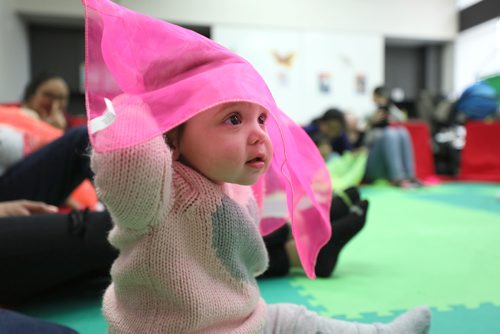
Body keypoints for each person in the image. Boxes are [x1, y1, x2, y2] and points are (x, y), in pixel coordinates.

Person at [84, 1, 431, 333]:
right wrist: (139, 105)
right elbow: (131, 158)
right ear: (172, 137)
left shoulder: (234, 185)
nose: (259, 134)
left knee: (296, 319)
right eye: (234, 119)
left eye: (262, 119)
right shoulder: (155, 196)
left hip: (238, 321)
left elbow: (250, 261)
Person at [364, 86, 421, 188]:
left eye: (384, 97)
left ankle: (410, 175)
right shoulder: (367, 113)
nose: (381, 100)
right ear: (373, 97)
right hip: (372, 162)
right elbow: (365, 142)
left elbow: (402, 118)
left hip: (384, 163)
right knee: (390, 134)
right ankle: (397, 178)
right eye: (379, 96)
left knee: (403, 132)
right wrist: (371, 122)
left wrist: (390, 109)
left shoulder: (390, 109)